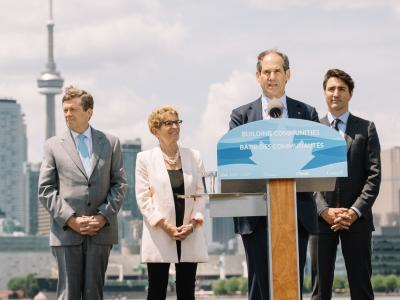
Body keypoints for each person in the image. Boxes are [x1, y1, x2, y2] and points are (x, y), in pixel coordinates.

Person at [229, 49, 319, 300]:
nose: (272, 77)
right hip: (255, 214)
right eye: (266, 72)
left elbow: (316, 159)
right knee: (259, 287)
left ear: (287, 74)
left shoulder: (307, 113)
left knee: (293, 284)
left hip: (297, 212)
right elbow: (238, 161)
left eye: (277, 71)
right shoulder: (241, 116)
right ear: (257, 76)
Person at [38, 86, 128, 300]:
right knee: (68, 294)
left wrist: (102, 216)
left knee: (94, 294)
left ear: (89, 112)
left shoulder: (110, 142)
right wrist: (70, 219)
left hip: (101, 232)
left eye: (73, 109)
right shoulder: (52, 146)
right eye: (65, 110)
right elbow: (45, 189)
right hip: (67, 233)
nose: (68, 114)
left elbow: (120, 184)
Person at [310, 69, 381, 300]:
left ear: (350, 94)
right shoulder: (313, 131)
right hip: (321, 221)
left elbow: (374, 177)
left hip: (357, 221)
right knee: (320, 292)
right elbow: (306, 178)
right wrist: (323, 210)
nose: (336, 93)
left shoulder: (366, 128)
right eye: (331, 89)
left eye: (341, 89)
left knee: (362, 289)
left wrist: (353, 212)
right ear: (324, 93)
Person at [135, 106, 208, 300]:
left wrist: (193, 225)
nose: (175, 126)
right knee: (156, 290)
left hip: (188, 232)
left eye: (177, 122)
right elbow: (143, 198)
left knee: (187, 291)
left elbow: (201, 195)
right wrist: (166, 226)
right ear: (155, 130)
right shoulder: (144, 159)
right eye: (169, 123)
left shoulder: (195, 156)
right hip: (160, 232)